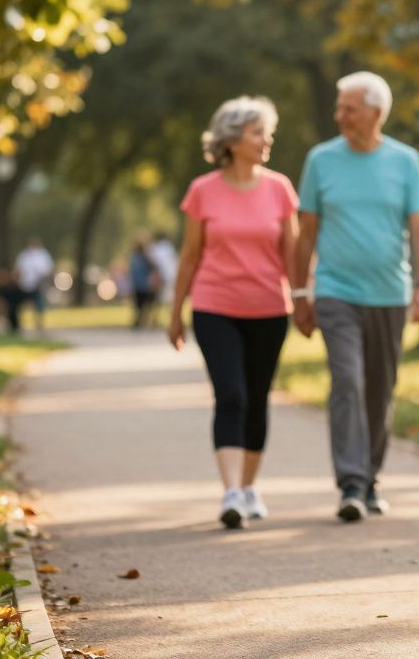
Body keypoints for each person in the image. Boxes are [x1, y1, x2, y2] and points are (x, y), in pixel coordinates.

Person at [291, 71, 419, 523]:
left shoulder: (405, 161)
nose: (339, 116)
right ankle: (351, 482)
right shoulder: (321, 160)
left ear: (375, 112)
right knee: (348, 380)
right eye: (339, 108)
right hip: (336, 292)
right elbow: (307, 231)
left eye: (348, 109)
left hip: (390, 295)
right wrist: (300, 291)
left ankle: (370, 477)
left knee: (379, 389)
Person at [167, 96, 299, 530]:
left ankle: (247, 487)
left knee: (257, 398)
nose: (267, 140)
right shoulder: (203, 191)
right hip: (214, 306)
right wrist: (175, 313)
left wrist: (304, 302)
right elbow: (189, 257)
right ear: (233, 138)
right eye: (259, 132)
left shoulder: (279, 188)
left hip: (268, 308)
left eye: (268, 133)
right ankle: (230, 492)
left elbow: (292, 256)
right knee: (231, 396)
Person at [14, 238, 54, 330]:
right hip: (24, 285)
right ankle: (20, 322)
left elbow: (47, 271)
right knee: (21, 304)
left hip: (38, 285)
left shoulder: (43, 255)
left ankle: (39, 322)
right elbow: (18, 270)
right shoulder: (23, 256)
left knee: (39, 303)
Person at [129, 237, 160, 329]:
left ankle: (147, 321)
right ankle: (138, 321)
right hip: (137, 285)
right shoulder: (134, 256)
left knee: (146, 305)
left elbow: (154, 268)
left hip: (145, 285)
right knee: (138, 305)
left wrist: (153, 281)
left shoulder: (146, 257)